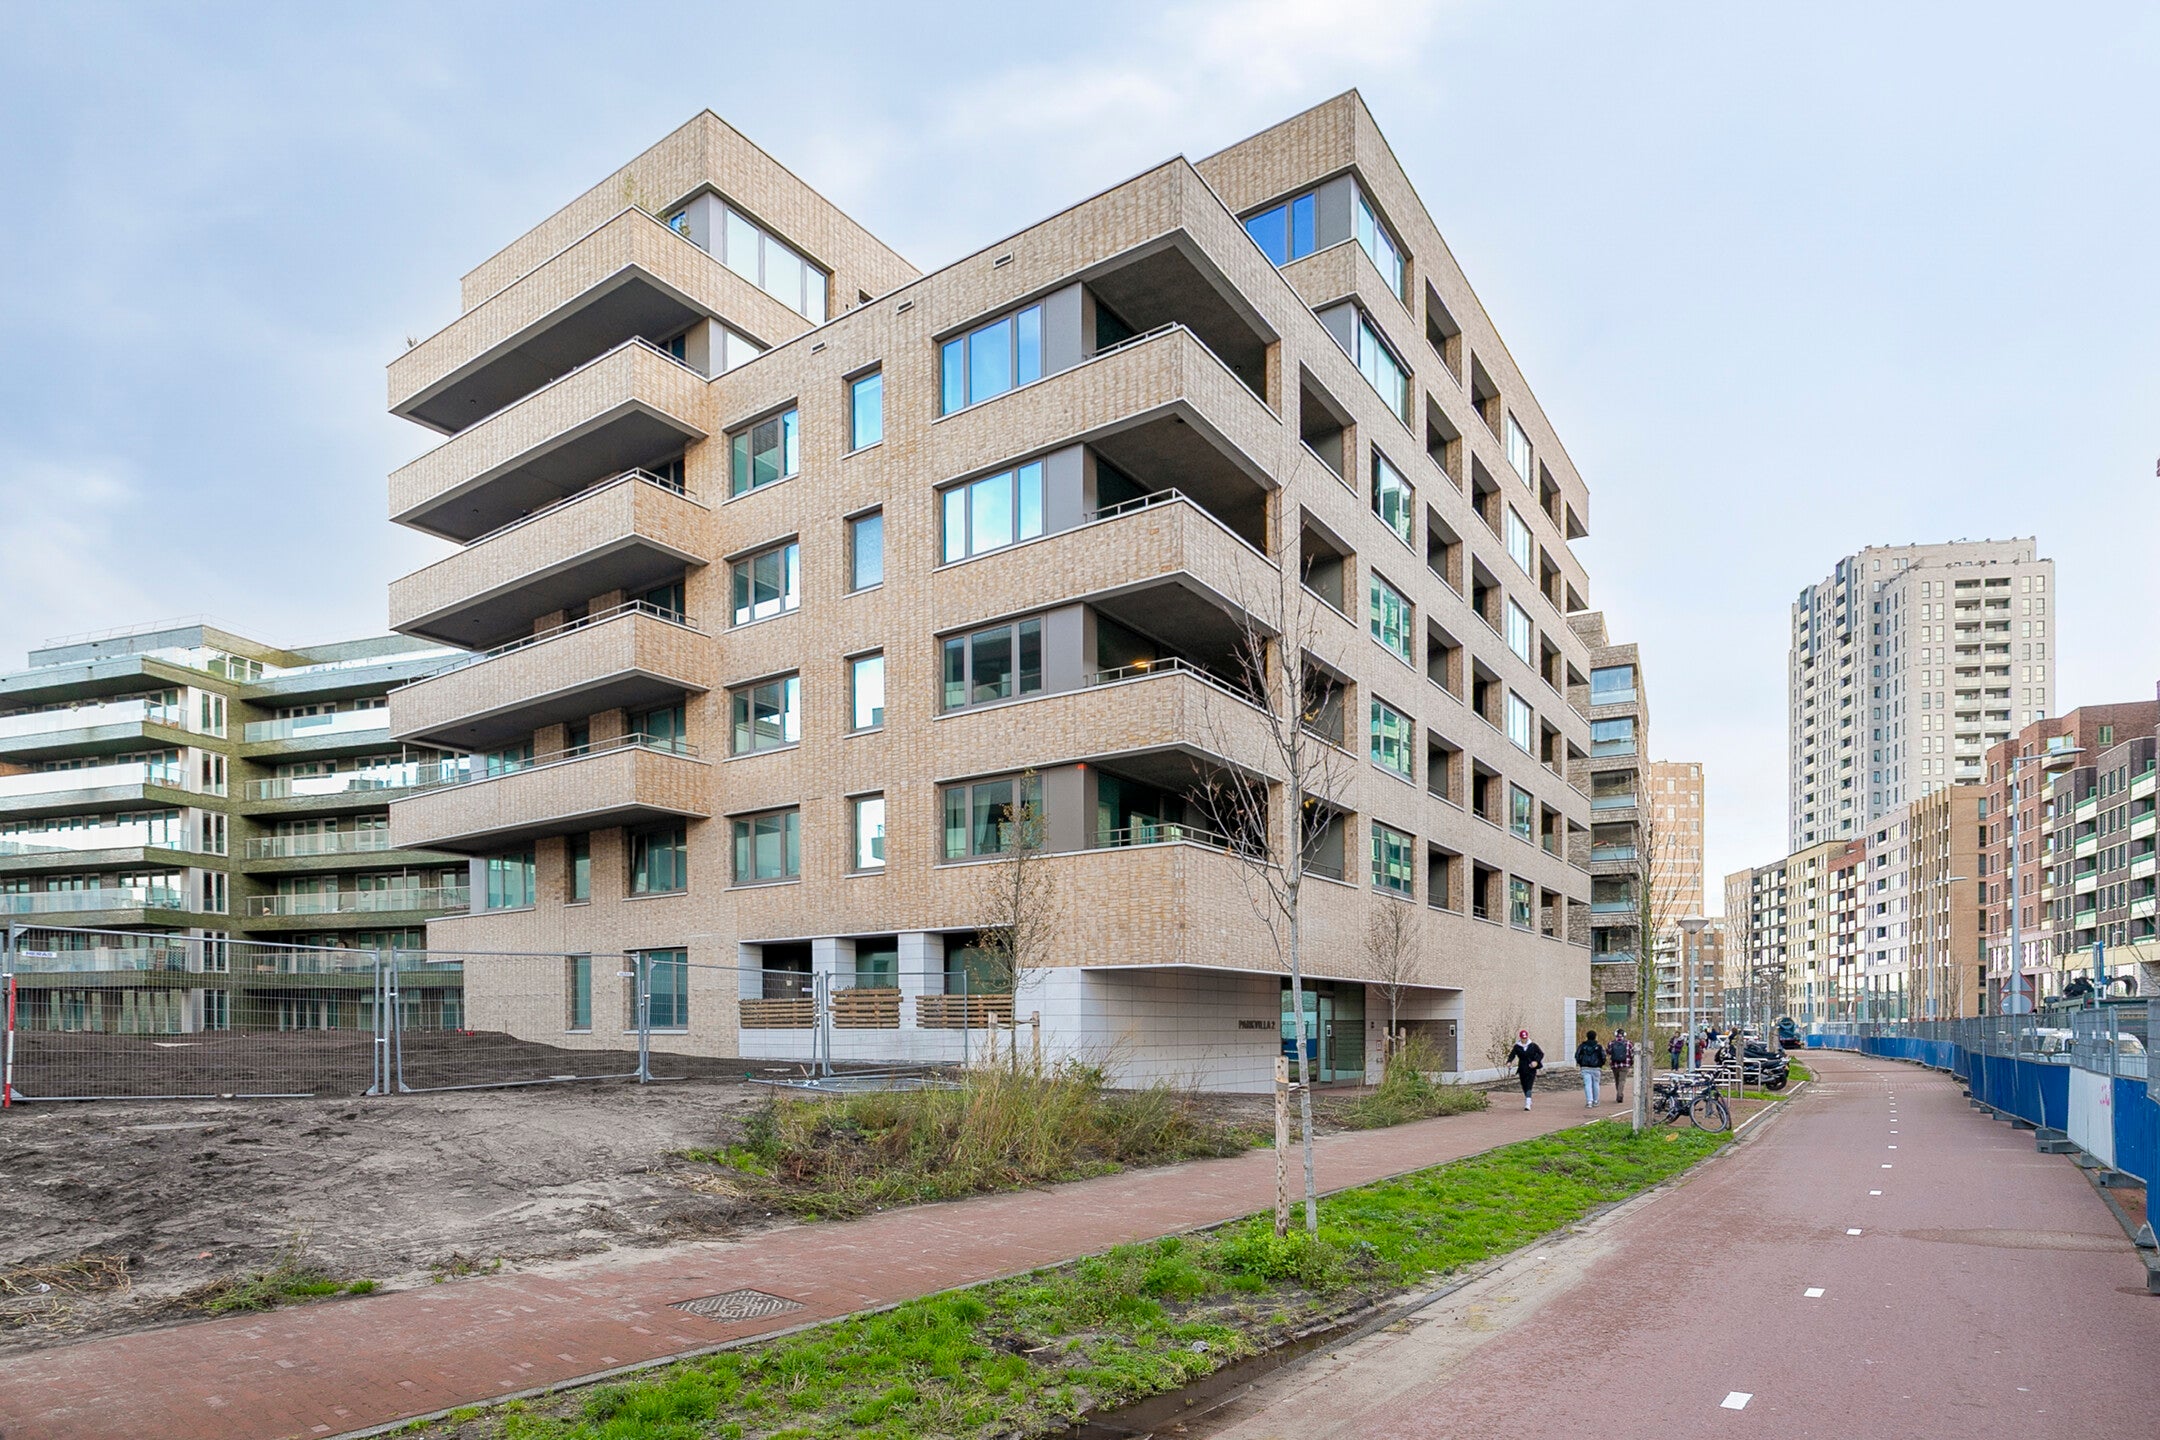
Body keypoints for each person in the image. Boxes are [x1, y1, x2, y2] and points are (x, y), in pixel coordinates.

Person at [1508, 1029, 1544, 1110]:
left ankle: (1528, 1103)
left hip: (1531, 1068)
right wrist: (1509, 1062)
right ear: (1520, 1038)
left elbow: (1541, 1054)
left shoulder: (1533, 1045)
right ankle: (1528, 1097)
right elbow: (1512, 1055)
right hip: (1522, 1068)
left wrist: (1536, 1061)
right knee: (1524, 1085)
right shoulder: (1517, 1047)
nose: (1524, 1039)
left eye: (1525, 1038)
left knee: (1529, 1085)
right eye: (1523, 1038)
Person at [1574, 1030, 1606, 1107]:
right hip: (1596, 1068)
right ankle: (1596, 1100)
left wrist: (1581, 1063)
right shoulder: (1599, 1046)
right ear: (1595, 1036)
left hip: (1585, 1067)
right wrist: (1601, 1064)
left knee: (1587, 1084)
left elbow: (1577, 1055)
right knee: (1596, 1084)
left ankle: (1589, 1101)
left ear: (1587, 1036)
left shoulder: (1582, 1046)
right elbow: (1603, 1056)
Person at [1608, 1029, 1632, 1105]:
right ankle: (1620, 1094)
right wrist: (1631, 1062)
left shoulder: (1611, 1043)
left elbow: (1608, 1052)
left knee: (1617, 1080)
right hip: (1625, 1064)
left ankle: (1619, 1093)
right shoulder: (1628, 1043)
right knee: (1622, 1080)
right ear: (1624, 1034)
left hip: (1614, 1065)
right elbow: (1632, 1054)